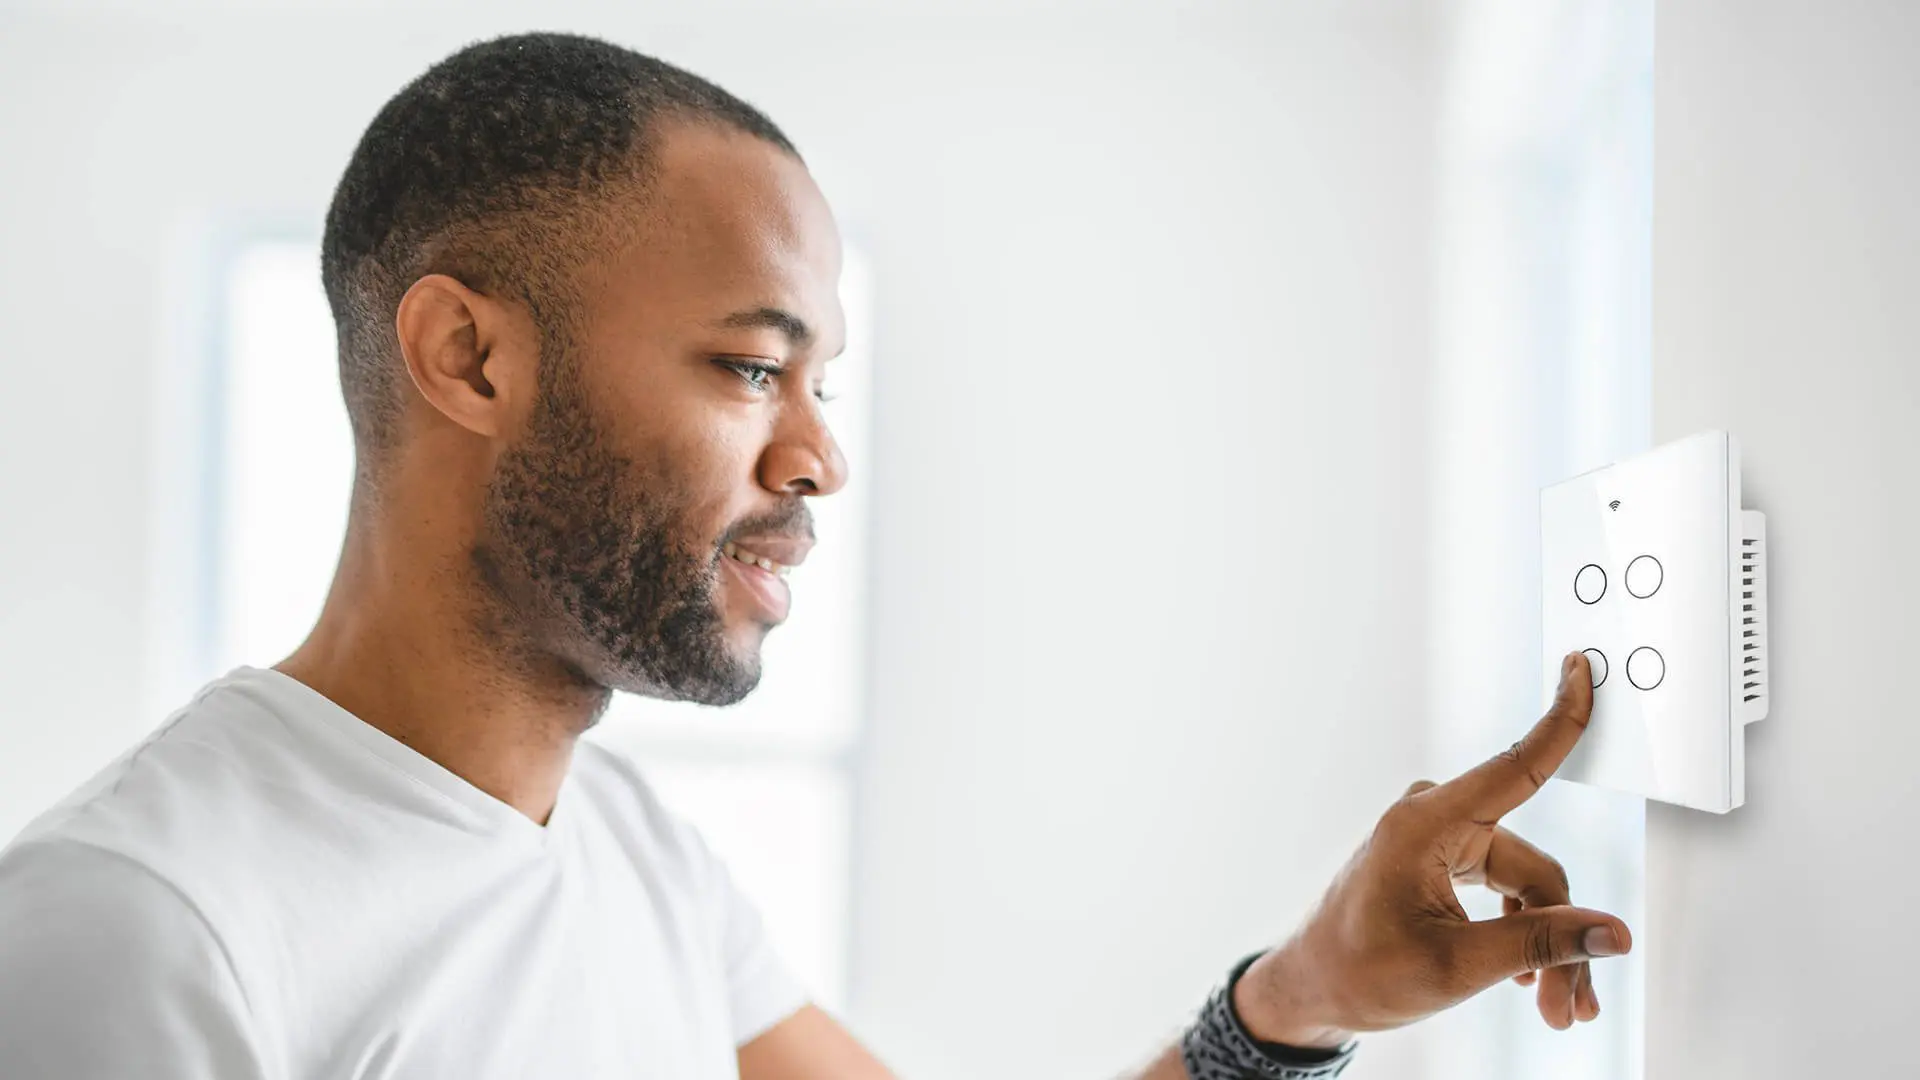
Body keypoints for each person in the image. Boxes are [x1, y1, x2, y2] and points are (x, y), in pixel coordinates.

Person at [0, 32, 1629, 1080]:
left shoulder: (632, 852)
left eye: (822, 381)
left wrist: (1300, 1001)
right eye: (749, 366)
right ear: (473, 360)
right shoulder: (139, 932)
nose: (820, 455)